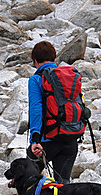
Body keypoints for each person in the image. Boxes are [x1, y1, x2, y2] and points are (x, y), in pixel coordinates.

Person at [26, 40, 80, 185]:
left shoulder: (36, 79)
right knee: (64, 184)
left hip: (47, 141)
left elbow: (36, 109)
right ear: (55, 59)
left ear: (35, 60)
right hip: (70, 138)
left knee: (29, 179)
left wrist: (35, 139)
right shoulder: (68, 77)